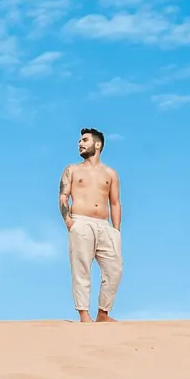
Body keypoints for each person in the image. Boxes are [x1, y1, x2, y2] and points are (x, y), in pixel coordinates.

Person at [58, 127, 122, 323]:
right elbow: (63, 196)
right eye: (79, 141)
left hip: (105, 225)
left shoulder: (110, 173)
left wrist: (116, 230)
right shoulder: (72, 169)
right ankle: (84, 314)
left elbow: (115, 203)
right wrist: (69, 221)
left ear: (98, 144)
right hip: (80, 222)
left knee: (115, 269)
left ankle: (103, 313)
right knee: (81, 269)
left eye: (84, 140)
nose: (80, 143)